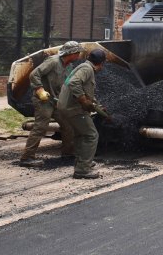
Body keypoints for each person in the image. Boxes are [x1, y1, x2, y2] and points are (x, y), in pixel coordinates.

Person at [19, 41, 84, 168]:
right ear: (71, 53)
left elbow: (67, 84)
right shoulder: (53, 62)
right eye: (78, 53)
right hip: (43, 100)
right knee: (40, 127)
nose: (79, 56)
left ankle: (68, 153)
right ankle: (27, 158)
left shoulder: (69, 66)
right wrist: (39, 89)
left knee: (68, 126)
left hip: (56, 101)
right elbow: (34, 74)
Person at [58, 48, 107, 179]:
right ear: (101, 63)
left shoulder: (83, 67)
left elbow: (85, 89)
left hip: (65, 107)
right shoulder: (87, 69)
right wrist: (83, 101)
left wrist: (96, 104)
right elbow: (74, 83)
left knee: (81, 135)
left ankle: (82, 163)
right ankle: (83, 169)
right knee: (91, 135)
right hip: (73, 108)